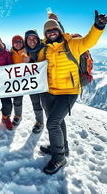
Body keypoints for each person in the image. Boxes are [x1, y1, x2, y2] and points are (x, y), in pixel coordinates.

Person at [37, 10, 106, 174]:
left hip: (68, 92)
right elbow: (35, 66)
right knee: (58, 122)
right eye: (48, 31)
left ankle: (59, 158)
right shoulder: (45, 49)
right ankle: (61, 148)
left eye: (54, 29)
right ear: (45, 34)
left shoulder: (73, 44)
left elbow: (89, 41)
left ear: (59, 30)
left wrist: (98, 26)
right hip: (49, 91)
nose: (51, 32)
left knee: (52, 123)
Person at [23, 29, 45, 133]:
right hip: (33, 82)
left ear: (38, 39)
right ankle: (39, 122)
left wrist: (30, 61)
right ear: (26, 41)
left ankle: (52, 124)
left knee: (47, 105)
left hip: (47, 83)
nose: (32, 40)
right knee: (36, 103)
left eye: (34, 38)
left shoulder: (45, 48)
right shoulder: (26, 51)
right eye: (29, 38)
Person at [10, 35, 30, 126]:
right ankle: (14, 115)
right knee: (15, 99)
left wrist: (29, 60)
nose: (18, 44)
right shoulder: (10, 53)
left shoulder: (28, 50)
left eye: (20, 41)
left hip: (28, 79)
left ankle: (18, 116)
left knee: (34, 100)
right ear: (12, 44)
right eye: (16, 42)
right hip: (15, 80)